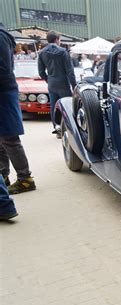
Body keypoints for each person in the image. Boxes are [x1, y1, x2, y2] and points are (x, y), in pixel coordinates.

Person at [0, 22, 36, 195]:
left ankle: (25, 179)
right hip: (4, 91)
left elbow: (3, 69)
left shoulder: (0, 36)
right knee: (2, 138)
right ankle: (3, 176)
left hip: (3, 93)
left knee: (9, 138)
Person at [38, 30, 77, 135]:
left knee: (53, 106)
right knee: (68, 105)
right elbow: (70, 71)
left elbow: (41, 72)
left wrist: (48, 80)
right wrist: (74, 86)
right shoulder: (63, 52)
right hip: (63, 83)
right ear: (56, 40)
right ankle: (69, 129)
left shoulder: (41, 53)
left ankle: (57, 126)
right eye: (59, 39)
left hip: (51, 83)